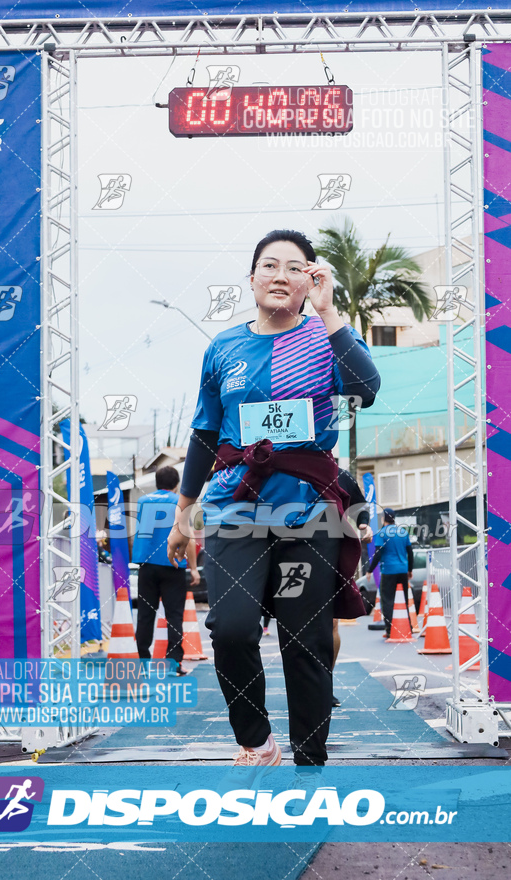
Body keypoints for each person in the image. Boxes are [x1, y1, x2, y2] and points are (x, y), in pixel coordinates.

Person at [167, 229, 380, 770]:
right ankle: (256, 741)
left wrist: (331, 315)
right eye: (269, 265)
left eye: (294, 268)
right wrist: (181, 516)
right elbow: (202, 436)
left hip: (307, 511)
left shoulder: (326, 339)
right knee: (231, 627)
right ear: (253, 277)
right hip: (235, 508)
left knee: (304, 638)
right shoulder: (224, 348)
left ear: (311, 279)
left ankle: (311, 757)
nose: (280, 275)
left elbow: (367, 387)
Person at [132, 466, 200, 675]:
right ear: (177, 483)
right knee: (174, 615)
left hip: (146, 564)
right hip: (172, 564)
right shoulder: (180, 502)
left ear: (156, 483)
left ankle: (142, 663)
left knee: (145, 615)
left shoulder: (143, 501)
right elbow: (186, 535)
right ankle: (173, 664)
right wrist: (194, 569)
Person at [331, 468, 374, 706]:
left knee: (332, 622)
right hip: (290, 558)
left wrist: (364, 525)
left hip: (332, 556)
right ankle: (303, 682)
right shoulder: (282, 466)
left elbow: (359, 506)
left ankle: (325, 681)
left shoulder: (339, 474)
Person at [367, 508, 413, 638]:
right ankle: (407, 627)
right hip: (402, 570)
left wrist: (370, 570)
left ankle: (390, 630)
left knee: (387, 600)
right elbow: (410, 552)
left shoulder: (382, 533)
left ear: (383, 518)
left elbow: (378, 554)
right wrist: (410, 569)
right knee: (403, 599)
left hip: (388, 571)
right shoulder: (403, 532)